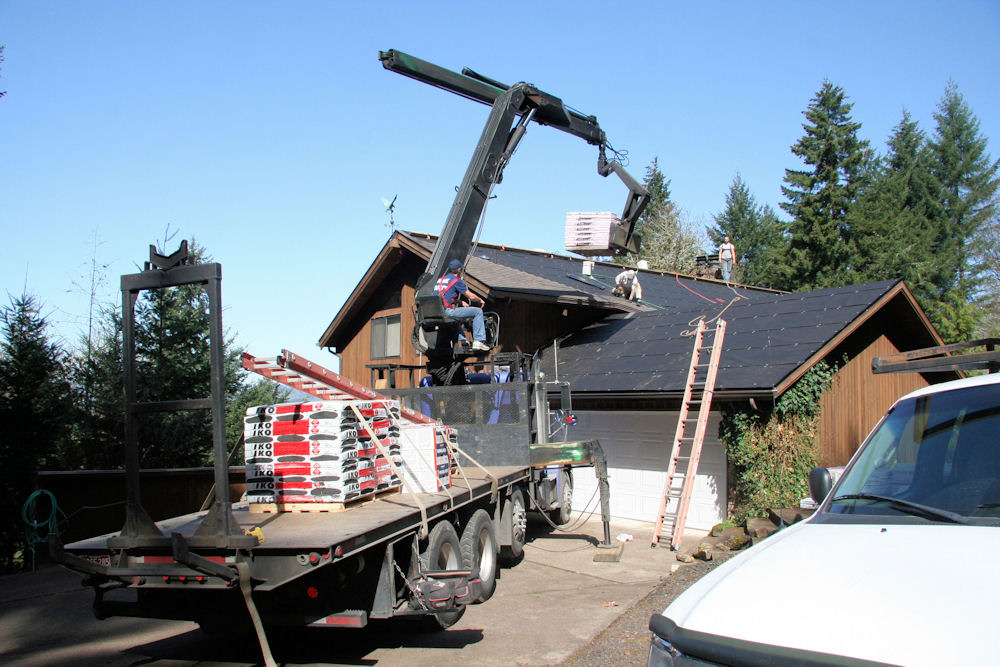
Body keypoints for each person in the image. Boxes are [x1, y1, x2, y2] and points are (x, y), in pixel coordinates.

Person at [434, 258, 490, 351]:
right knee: (478, 312)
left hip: (437, 312)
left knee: (456, 317)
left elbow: (443, 298)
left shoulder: (440, 280)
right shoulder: (456, 280)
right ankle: (478, 341)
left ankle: (463, 340)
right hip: (447, 312)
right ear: (459, 270)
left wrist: (460, 302)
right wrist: (480, 300)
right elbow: (470, 296)